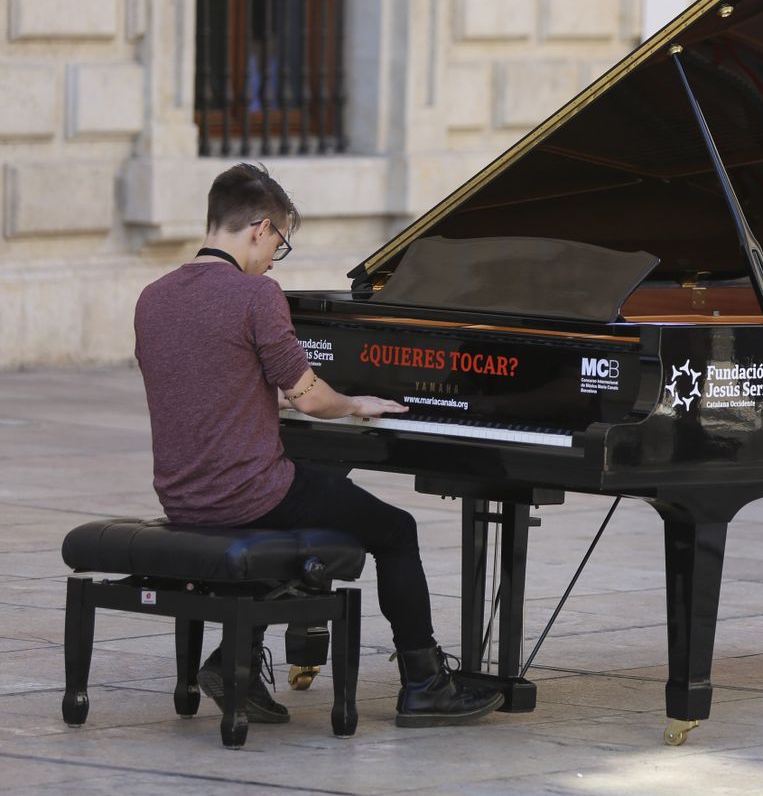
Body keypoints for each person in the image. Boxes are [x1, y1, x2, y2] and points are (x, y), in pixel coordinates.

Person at [133, 163, 503, 727]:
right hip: (248, 495)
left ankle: (230, 660)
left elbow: (203, 388)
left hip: (182, 497)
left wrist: (265, 401)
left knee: (318, 490)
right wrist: (356, 404)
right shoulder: (256, 294)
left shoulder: (153, 297)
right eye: (279, 243)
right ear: (260, 229)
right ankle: (426, 684)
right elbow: (309, 398)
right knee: (395, 530)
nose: (274, 257)